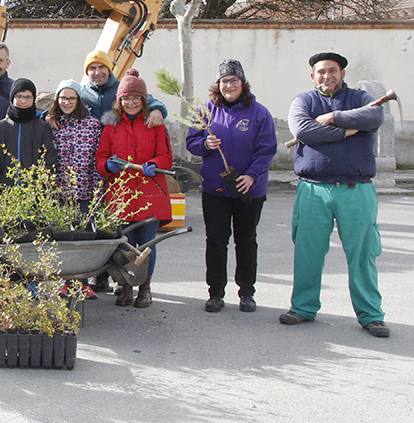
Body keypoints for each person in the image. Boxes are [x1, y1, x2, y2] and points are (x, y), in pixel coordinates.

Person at [279, 52, 390, 338]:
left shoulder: (362, 99)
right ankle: (303, 307)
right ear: (313, 76)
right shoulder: (303, 101)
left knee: (363, 254)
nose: (326, 76)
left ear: (342, 73)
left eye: (332, 70)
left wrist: (334, 117)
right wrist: (347, 131)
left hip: (356, 189)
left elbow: (376, 115)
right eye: (320, 71)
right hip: (312, 189)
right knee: (308, 251)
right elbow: (303, 130)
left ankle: (371, 314)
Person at [185, 60, 277, 314]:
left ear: (242, 83)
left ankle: (246, 292)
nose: (228, 85)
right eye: (224, 81)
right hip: (215, 190)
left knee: (246, 240)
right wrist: (205, 144)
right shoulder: (205, 111)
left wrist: (252, 176)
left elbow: (267, 150)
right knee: (216, 241)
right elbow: (191, 143)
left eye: (233, 80)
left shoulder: (259, 113)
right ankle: (215, 293)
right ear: (218, 85)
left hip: (248, 189)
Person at [95, 69, 173, 309]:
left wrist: (155, 165)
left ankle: (145, 288)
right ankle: (126, 286)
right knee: (124, 244)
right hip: (121, 195)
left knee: (147, 244)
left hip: (149, 194)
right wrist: (107, 166)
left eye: (136, 98)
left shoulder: (155, 125)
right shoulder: (111, 127)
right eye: (126, 98)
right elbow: (101, 158)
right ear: (119, 101)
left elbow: (166, 157)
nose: (130, 103)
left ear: (144, 100)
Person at [0, 78, 58, 185]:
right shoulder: (0, 127)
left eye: (28, 97)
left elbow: (50, 158)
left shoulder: (42, 128)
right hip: (5, 194)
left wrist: (40, 185)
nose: (23, 101)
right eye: (19, 96)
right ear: (12, 98)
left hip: (34, 194)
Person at [46, 80, 103, 211]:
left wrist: (97, 194)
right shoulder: (51, 124)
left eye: (72, 98)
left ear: (79, 100)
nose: (67, 103)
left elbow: (96, 160)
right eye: (63, 98)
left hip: (85, 194)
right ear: (57, 99)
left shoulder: (92, 125)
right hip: (58, 194)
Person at [75, 49, 168, 125]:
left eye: (102, 67)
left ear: (109, 69)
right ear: (87, 72)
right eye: (92, 68)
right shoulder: (81, 94)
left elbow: (147, 99)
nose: (97, 72)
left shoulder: (123, 89)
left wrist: (157, 110)